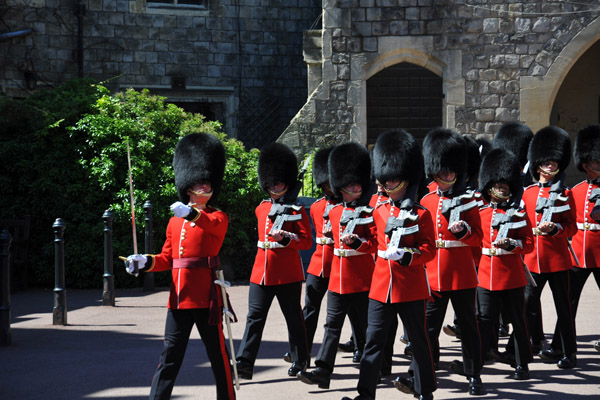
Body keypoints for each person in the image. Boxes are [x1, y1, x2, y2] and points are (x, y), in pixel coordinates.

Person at [124, 133, 235, 400]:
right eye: (199, 183)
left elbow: (211, 227)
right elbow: (167, 258)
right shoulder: (175, 223)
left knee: (218, 357)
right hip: (179, 299)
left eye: (208, 183)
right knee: (169, 357)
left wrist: (192, 213)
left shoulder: (217, 216)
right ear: (187, 186)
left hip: (207, 297)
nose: (205, 187)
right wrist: (144, 262)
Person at [342, 129, 437, 400]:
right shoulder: (379, 210)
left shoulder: (421, 214)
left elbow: (429, 250)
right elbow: (372, 242)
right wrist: (357, 244)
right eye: (386, 178)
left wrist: (408, 256)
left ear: (405, 180)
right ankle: (365, 394)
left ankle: (425, 389)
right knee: (373, 343)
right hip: (381, 286)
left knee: (419, 342)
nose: (388, 182)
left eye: (393, 178)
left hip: (410, 286)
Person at [297, 142, 376, 389]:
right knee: (332, 326)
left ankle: (372, 369)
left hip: (361, 277)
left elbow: (374, 243)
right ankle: (323, 371)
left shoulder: (369, 210)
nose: (354, 187)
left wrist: (358, 242)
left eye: (356, 184)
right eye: (349, 184)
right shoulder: (332, 212)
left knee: (363, 329)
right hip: (337, 278)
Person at [235, 142, 312, 379]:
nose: (275, 187)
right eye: (272, 183)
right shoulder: (261, 208)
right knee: (254, 318)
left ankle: (300, 361)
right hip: (262, 272)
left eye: (279, 183)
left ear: (286, 183)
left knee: (293, 318)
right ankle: (245, 362)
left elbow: (306, 242)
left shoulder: (296, 209)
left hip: (287, 272)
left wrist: (288, 238)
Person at [420, 128, 485, 396]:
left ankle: (474, 375)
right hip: (434, 272)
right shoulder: (425, 200)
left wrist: (465, 233)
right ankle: (426, 371)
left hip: (461, 272)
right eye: (441, 172)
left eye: (450, 171)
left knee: (468, 327)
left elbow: (479, 238)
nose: (446, 176)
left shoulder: (469, 200)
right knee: (428, 327)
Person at [520, 126, 577, 369]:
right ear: (538, 163)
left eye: (555, 161)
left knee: (563, 308)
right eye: (547, 161)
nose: (552, 164)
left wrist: (556, 230)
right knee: (528, 304)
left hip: (557, 258)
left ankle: (568, 352)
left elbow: (571, 227)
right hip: (533, 258)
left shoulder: (565, 193)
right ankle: (534, 342)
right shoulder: (527, 194)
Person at [476, 148, 534, 380]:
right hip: (486, 274)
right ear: (489, 188)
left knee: (518, 320)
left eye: (506, 187)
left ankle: (522, 364)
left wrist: (512, 244)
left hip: (511, 274)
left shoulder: (517, 213)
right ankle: (476, 362)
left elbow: (528, 243)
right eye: (499, 186)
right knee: (484, 321)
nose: (502, 190)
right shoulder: (479, 212)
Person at [546, 125, 600, 359]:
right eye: (594, 161)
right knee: (568, 304)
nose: (598, 164)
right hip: (578, 253)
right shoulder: (575, 191)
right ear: (585, 164)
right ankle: (560, 346)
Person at [299, 146, 338, 358]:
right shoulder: (315, 206)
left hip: (340, 265)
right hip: (318, 264)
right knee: (310, 309)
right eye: (326, 183)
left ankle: (359, 347)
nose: (329, 186)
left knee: (346, 314)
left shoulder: (347, 206)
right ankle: (302, 352)